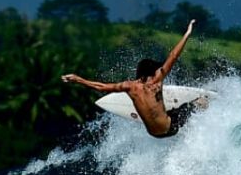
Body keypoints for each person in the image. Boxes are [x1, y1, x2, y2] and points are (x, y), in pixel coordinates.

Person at [62, 19, 205, 138]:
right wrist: (187, 33)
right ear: (152, 71)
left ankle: (169, 113)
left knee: (171, 112)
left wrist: (78, 79)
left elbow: (101, 87)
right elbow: (173, 56)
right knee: (196, 104)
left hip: (154, 134)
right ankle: (204, 109)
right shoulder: (157, 80)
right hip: (170, 128)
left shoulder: (130, 87)